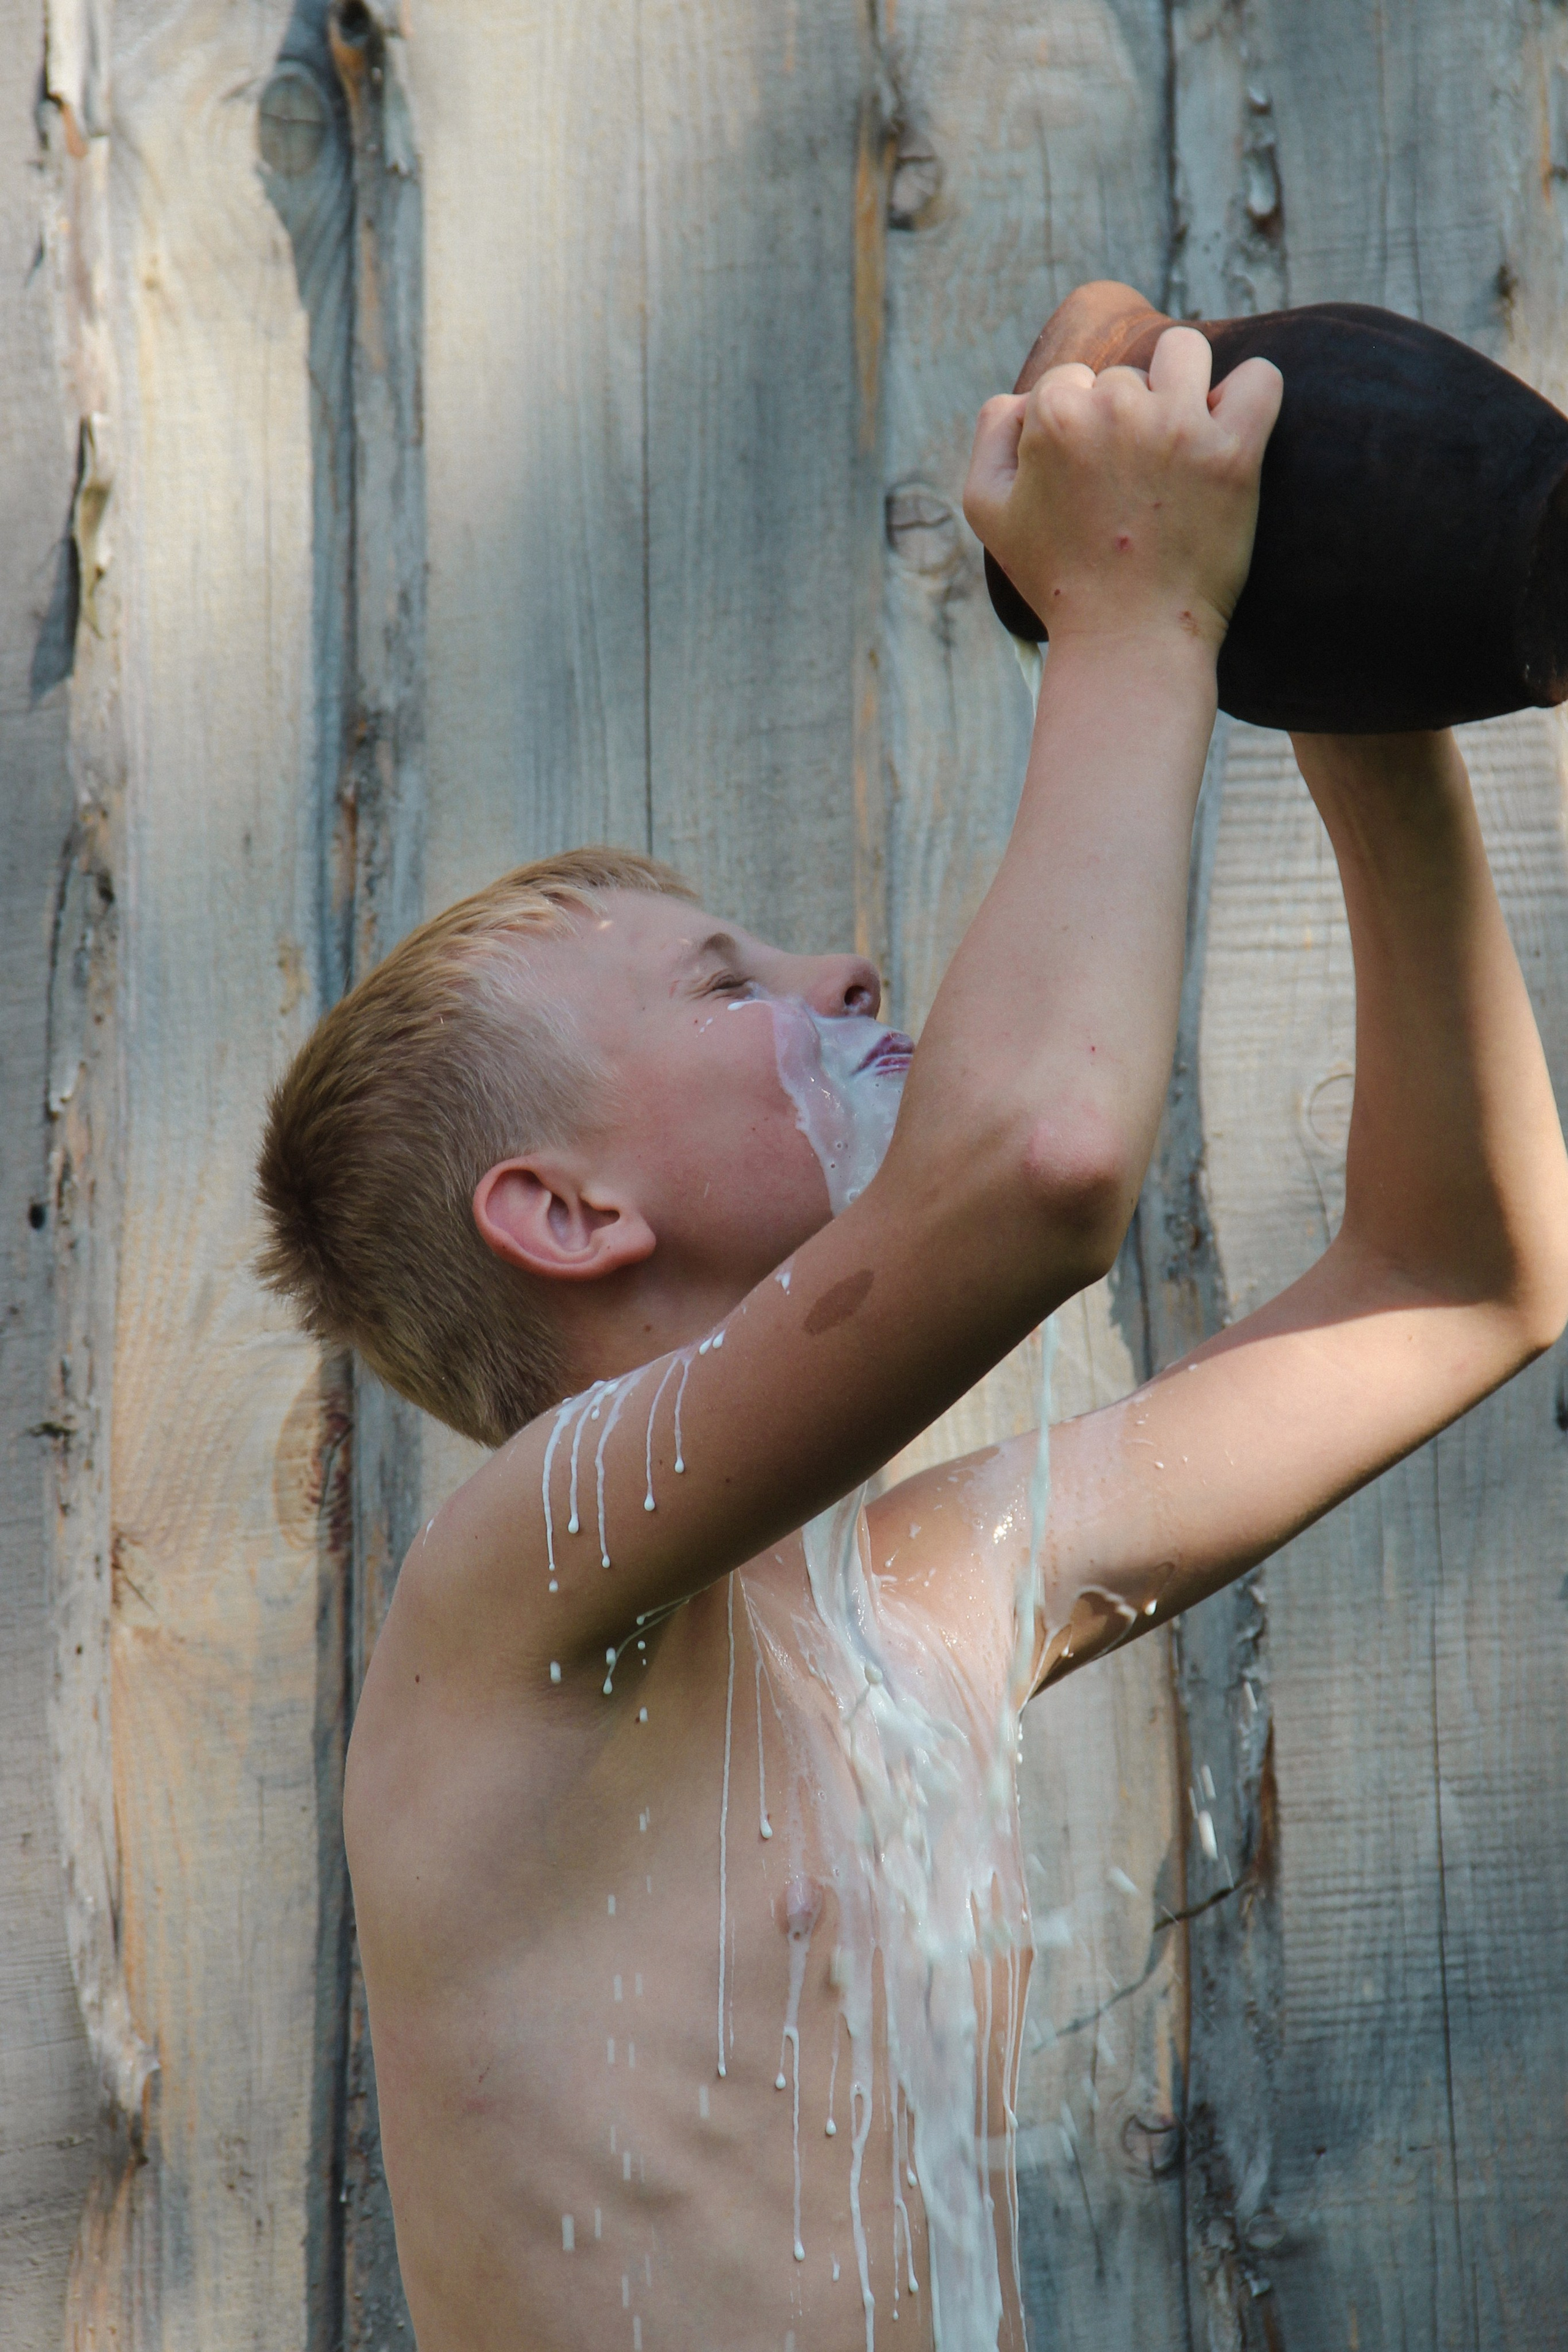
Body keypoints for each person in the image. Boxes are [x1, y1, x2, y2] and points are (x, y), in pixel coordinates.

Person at [257, 329, 1568, 2352]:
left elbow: (1458, 1275)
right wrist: (1135, 611)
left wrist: (1334, 670)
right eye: (728, 985)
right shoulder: (516, 1595)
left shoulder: (914, 1608)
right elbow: (1043, 1162)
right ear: (566, 1215)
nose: (844, 965)